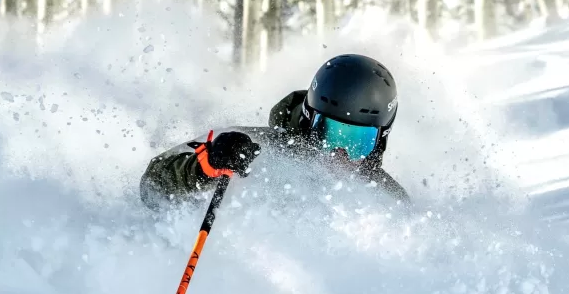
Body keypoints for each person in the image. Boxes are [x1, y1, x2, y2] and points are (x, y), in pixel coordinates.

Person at [138, 54, 409, 208]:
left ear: (380, 141)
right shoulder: (250, 149)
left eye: (358, 141)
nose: (340, 153)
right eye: (329, 134)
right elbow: (151, 185)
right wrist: (203, 169)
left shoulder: (387, 201)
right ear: (308, 120)